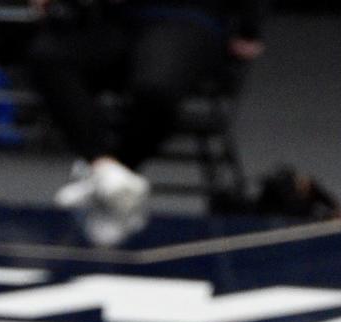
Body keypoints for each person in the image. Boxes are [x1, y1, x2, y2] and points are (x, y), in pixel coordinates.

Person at [26, 0, 263, 236]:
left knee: (155, 90)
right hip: (116, 18)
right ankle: (104, 168)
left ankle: (114, 172)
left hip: (187, 19)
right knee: (48, 55)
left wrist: (249, 28)